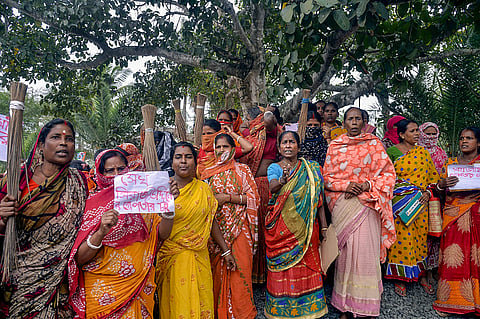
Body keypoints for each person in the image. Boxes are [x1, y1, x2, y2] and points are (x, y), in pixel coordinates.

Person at [68, 147, 178, 318]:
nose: (117, 175)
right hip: (102, 292)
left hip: (136, 288)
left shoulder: (143, 199)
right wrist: (101, 232)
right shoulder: (90, 204)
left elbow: (162, 235)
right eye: (109, 171)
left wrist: (168, 206)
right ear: (99, 173)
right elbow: (79, 258)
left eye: (121, 169)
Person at [0, 119, 88, 318]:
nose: (64, 143)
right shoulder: (17, 179)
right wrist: (2, 217)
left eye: (69, 139)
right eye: (56, 137)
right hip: (19, 278)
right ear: (41, 145)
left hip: (59, 280)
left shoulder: (81, 182)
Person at [324, 107, 396, 318]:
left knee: (366, 253)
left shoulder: (374, 145)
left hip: (368, 205)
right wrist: (347, 186)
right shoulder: (335, 146)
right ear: (344, 122)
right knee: (345, 255)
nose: (354, 122)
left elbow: (389, 176)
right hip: (343, 204)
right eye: (350, 119)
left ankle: (365, 305)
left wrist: (365, 185)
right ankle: (344, 305)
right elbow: (326, 178)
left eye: (358, 119)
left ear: (365, 122)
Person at [156, 142, 236, 319]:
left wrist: (226, 251)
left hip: (200, 256)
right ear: (172, 163)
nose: (183, 161)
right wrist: (169, 201)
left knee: (201, 303)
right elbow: (159, 232)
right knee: (177, 306)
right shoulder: (162, 190)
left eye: (188, 157)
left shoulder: (203, 189)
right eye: (178, 157)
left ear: (195, 161)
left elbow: (211, 221)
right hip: (172, 259)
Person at [264, 131, 328, 318]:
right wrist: (282, 181)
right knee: (284, 268)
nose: (288, 145)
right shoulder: (274, 167)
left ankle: (311, 309)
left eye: (292, 142)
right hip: (281, 229)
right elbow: (272, 186)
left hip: (307, 229)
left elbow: (319, 200)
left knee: (307, 264)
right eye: (284, 142)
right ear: (279, 147)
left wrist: (324, 226)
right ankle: (281, 310)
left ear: (299, 147)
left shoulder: (312, 168)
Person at [203, 134, 260, 319]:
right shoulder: (206, 173)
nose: (221, 151)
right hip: (216, 232)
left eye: (225, 147)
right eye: (218, 147)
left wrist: (227, 198)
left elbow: (254, 199)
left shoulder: (242, 170)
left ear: (233, 149)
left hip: (240, 228)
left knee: (240, 269)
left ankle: (242, 313)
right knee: (216, 273)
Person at [385, 119, 440, 297]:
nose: (417, 133)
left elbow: (432, 178)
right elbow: (386, 177)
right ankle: (400, 277)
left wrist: (428, 192)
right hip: (400, 203)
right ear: (401, 134)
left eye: (417, 130)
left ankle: (421, 274)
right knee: (401, 239)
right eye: (412, 131)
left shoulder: (423, 153)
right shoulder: (392, 152)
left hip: (421, 202)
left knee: (420, 238)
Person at [433, 127, 480, 317]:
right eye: (461, 138)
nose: (464, 141)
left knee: (475, 258)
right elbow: (437, 190)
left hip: (476, 214)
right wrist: (441, 185)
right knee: (452, 257)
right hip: (453, 215)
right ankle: (451, 302)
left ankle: (475, 301)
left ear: (478, 143)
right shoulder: (450, 163)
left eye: (469, 138)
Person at [239, 107, 281, 284]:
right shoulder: (250, 134)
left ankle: (265, 275)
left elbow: (269, 120)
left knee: (264, 228)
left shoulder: (271, 132)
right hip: (248, 185)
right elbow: (241, 128)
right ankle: (249, 273)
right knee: (248, 229)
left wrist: (267, 111)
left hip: (264, 185)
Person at [418, 122, 448, 284]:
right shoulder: (415, 152)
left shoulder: (441, 153)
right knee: (422, 235)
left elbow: (445, 174)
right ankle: (421, 271)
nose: (430, 137)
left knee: (436, 234)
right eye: (427, 134)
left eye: (433, 134)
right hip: (419, 198)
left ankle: (433, 268)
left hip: (438, 198)